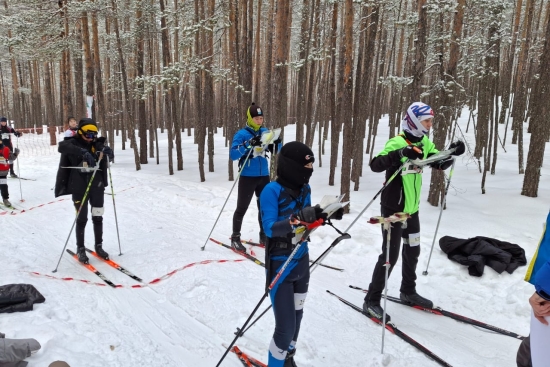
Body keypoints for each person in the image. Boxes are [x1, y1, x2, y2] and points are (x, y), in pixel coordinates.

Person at [363, 102, 465, 322]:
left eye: (430, 121)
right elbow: (375, 165)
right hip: (393, 211)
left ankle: (408, 291)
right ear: (415, 121)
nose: (429, 125)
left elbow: (438, 163)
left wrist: (452, 153)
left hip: (412, 210)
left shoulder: (424, 141)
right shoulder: (397, 141)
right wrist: (401, 153)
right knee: (390, 256)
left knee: (413, 251)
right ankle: (371, 300)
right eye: (426, 121)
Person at [260, 141, 342, 367]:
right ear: (291, 166)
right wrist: (299, 217)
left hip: (301, 263)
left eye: (312, 165)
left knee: (297, 318)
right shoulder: (271, 190)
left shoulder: (305, 189)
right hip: (280, 266)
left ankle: (287, 359)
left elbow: (306, 224)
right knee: (285, 328)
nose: (310, 170)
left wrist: (323, 215)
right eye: (306, 166)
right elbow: (269, 227)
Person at [54, 118, 114, 264]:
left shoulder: (97, 144)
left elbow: (109, 158)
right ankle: (80, 248)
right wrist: (82, 152)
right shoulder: (72, 143)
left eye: (93, 135)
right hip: (79, 187)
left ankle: (98, 246)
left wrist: (109, 153)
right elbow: (62, 147)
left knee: (98, 216)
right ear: (80, 132)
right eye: (88, 134)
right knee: (82, 219)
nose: (90, 138)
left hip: (97, 187)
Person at [229, 103, 280, 252]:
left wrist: (277, 142)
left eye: (261, 118)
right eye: (257, 118)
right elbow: (233, 155)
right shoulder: (241, 134)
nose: (259, 121)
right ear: (250, 118)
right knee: (242, 208)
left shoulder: (265, 132)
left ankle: (264, 235)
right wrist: (248, 144)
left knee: (264, 208)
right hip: (247, 176)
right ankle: (235, 238)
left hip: (263, 175)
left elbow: (277, 151)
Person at [0, 140, 17, 207]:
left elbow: (11, 158)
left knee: (3, 186)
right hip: (3, 171)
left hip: (3, 172)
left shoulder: (6, 149)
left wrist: (15, 153)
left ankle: (5, 199)